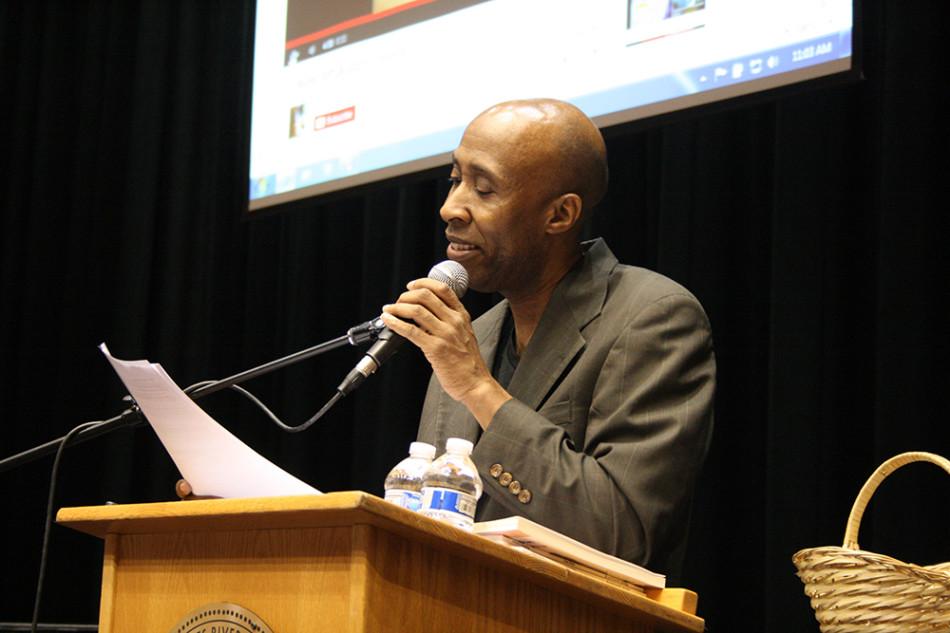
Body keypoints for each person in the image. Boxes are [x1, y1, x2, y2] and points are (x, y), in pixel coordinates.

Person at [379, 98, 714, 577]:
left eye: (484, 188)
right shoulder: (475, 336)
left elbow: (621, 532)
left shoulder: (653, 318)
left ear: (560, 215)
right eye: (456, 179)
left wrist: (477, 388)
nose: (450, 207)